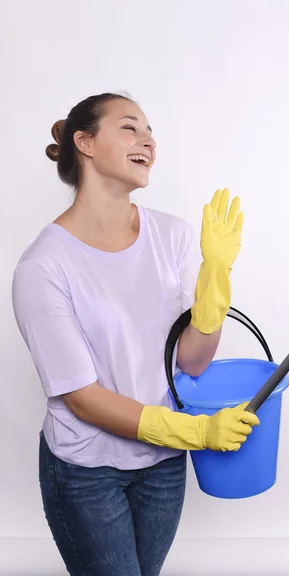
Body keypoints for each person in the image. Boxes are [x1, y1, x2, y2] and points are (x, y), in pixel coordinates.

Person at [11, 92, 260, 576]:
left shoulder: (173, 236)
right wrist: (197, 431)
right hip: (87, 470)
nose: (148, 140)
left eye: (150, 131)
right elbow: (81, 397)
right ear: (84, 142)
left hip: (164, 465)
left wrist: (216, 276)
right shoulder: (43, 267)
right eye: (130, 127)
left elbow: (190, 361)